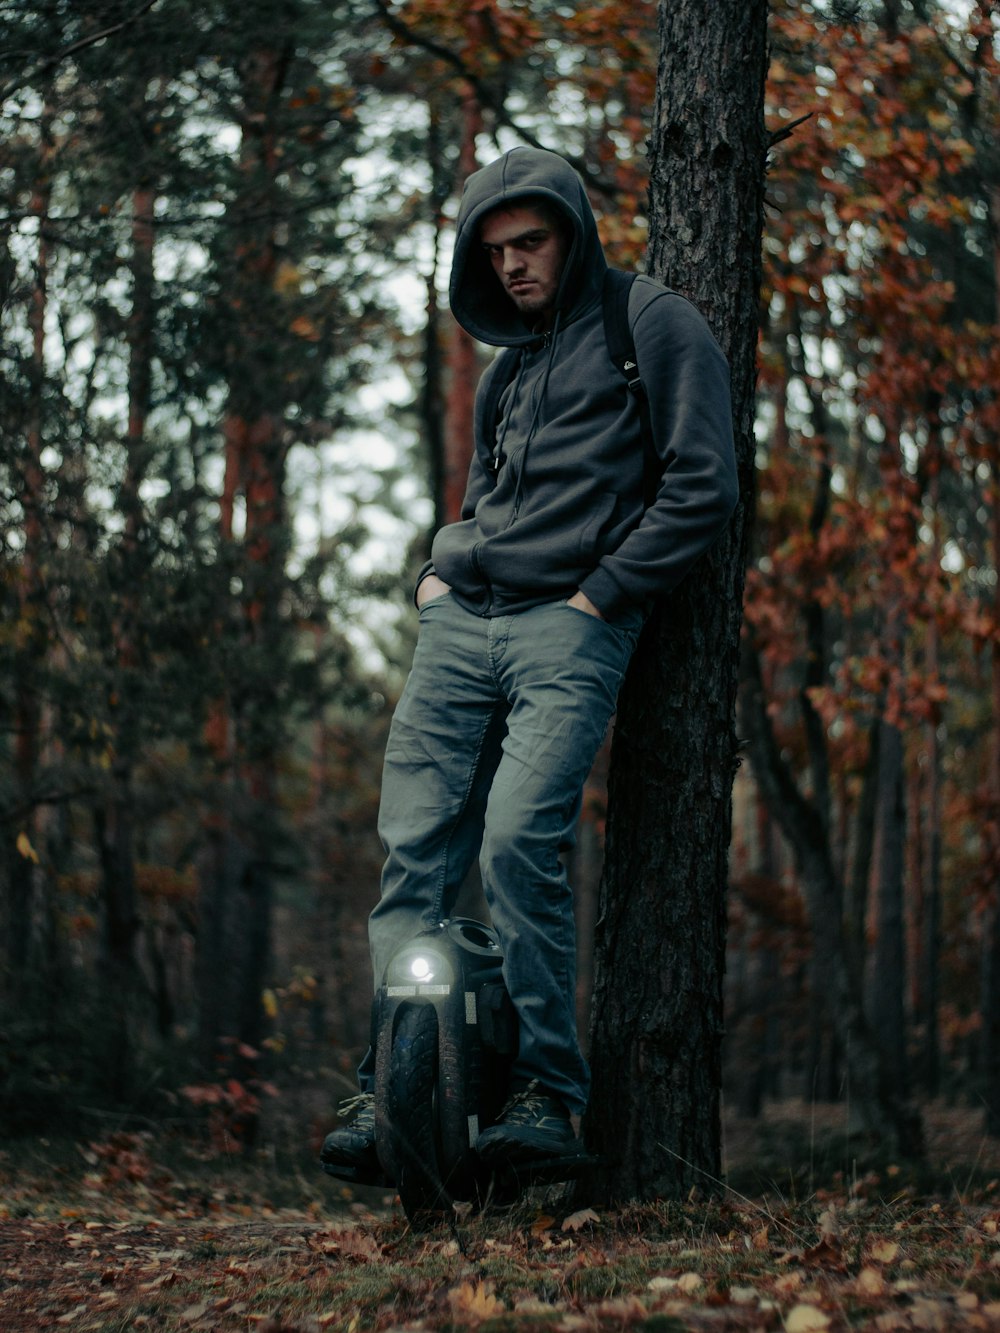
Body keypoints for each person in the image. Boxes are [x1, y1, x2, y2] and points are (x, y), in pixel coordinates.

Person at [321, 144, 737, 1182]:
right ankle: (391, 1081)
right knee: (412, 849)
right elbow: (482, 502)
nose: (512, 265)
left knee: (515, 842)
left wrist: (604, 592)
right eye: (493, 251)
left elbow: (702, 484)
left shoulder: (650, 323)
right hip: (463, 618)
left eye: (530, 240)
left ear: (572, 230)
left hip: (571, 621)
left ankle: (547, 1092)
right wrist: (434, 575)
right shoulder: (506, 372)